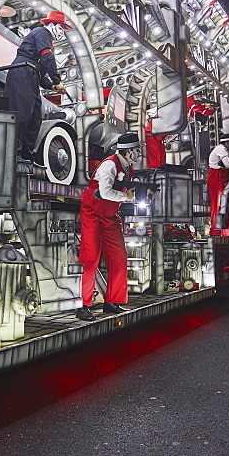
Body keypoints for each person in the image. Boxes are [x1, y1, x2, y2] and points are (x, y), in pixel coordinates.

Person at [75, 133, 143, 321]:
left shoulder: (128, 168)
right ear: (129, 151)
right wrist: (127, 197)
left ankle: (112, 301)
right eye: (137, 150)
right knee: (90, 257)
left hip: (110, 215)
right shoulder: (110, 165)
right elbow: (104, 192)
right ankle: (83, 304)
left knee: (119, 256)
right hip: (93, 213)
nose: (138, 153)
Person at [3, 11, 69, 164]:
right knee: (22, 113)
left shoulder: (44, 39)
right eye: (61, 28)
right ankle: (15, 152)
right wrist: (56, 80)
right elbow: (47, 57)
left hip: (30, 74)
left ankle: (26, 153)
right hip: (23, 71)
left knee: (35, 118)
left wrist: (53, 85)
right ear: (51, 25)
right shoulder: (42, 33)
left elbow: (40, 74)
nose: (62, 33)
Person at [207, 132, 229, 236]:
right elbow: (228, 164)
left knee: (223, 205)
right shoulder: (221, 149)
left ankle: (223, 231)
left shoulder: (222, 150)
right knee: (217, 205)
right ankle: (216, 231)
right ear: (227, 143)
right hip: (216, 178)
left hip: (221, 178)